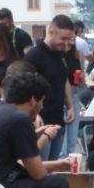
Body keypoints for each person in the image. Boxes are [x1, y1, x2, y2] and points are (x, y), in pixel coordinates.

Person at [25, 14, 79, 160]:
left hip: (58, 122)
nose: (67, 43)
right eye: (63, 38)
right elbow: (24, 90)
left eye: (69, 39)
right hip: (41, 125)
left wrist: (71, 106)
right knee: (42, 169)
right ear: (51, 32)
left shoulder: (61, 54)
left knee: (52, 168)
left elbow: (64, 80)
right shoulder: (33, 57)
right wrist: (35, 115)